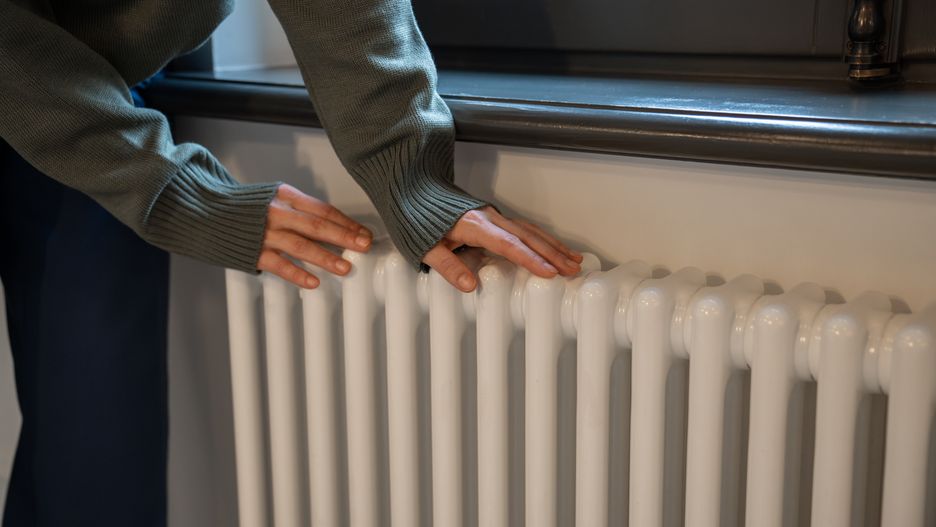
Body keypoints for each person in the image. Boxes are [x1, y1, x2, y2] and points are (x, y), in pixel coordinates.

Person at [0, 0, 583, 524]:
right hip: (28, 73)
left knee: (92, 452)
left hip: (91, 86)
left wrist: (412, 179)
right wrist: (174, 189)